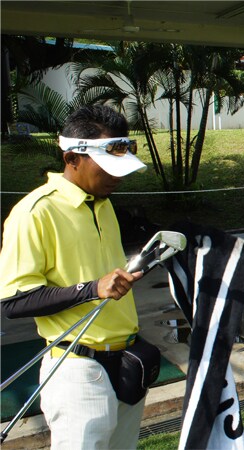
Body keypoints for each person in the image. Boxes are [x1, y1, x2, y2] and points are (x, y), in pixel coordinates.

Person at [0, 104, 148, 449]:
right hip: (77, 369)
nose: (117, 177)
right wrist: (92, 289)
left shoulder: (103, 203)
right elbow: (13, 301)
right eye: (107, 167)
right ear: (72, 158)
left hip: (127, 363)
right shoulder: (35, 212)